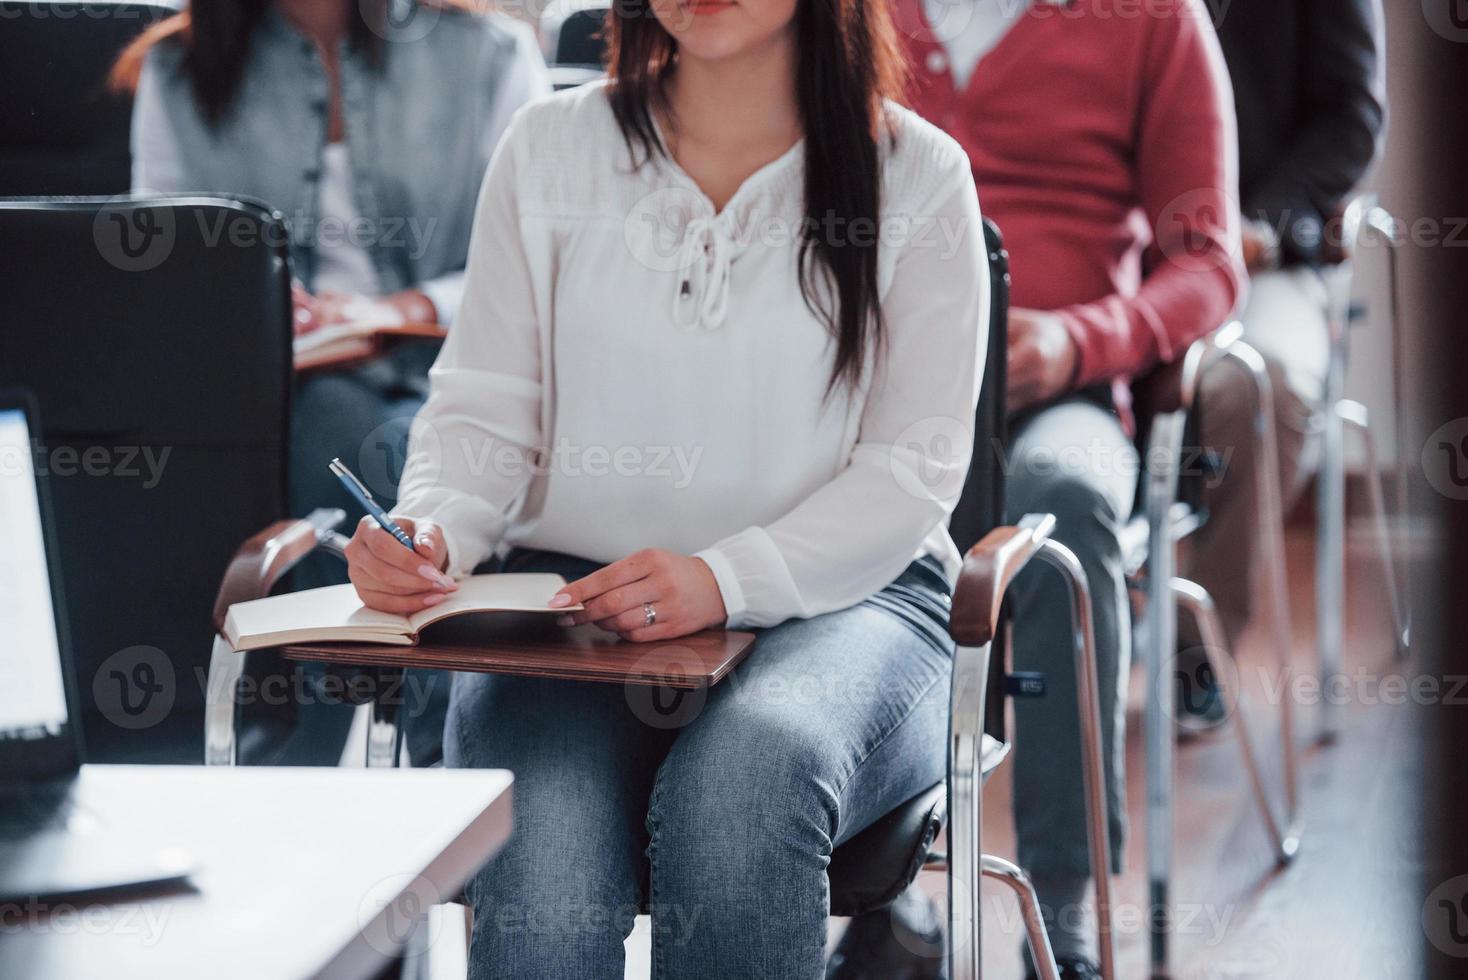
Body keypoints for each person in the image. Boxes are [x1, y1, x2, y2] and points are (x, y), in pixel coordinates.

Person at [340, 0, 990, 972]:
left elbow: (910, 474)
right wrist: (432, 529)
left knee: (747, 776)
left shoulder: (920, 173)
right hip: (574, 604)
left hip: (858, 600)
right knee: (540, 822)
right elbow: (481, 414)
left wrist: (724, 578)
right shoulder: (548, 147)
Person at [832, 1, 1244, 977]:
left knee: (1064, 497)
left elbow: (1208, 262)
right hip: (864, 393)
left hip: (1060, 391)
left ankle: (1061, 914)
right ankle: (869, 895)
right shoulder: (849, 14)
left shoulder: (1155, 20)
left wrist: (1078, 339)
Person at [113, 0, 549, 765]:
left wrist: (402, 307)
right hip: (271, 395)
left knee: (388, 440)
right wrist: (247, 297)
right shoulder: (177, 68)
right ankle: (440, 759)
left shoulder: (489, 54)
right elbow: (162, 262)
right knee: (336, 421)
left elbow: (537, 255)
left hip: (453, 374)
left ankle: (315, 760)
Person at [1179, 0, 1385, 727]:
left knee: (1253, 387)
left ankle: (1194, 646)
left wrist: (1259, 227)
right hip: (1127, 249)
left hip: (1264, 256)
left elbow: (1351, 121)